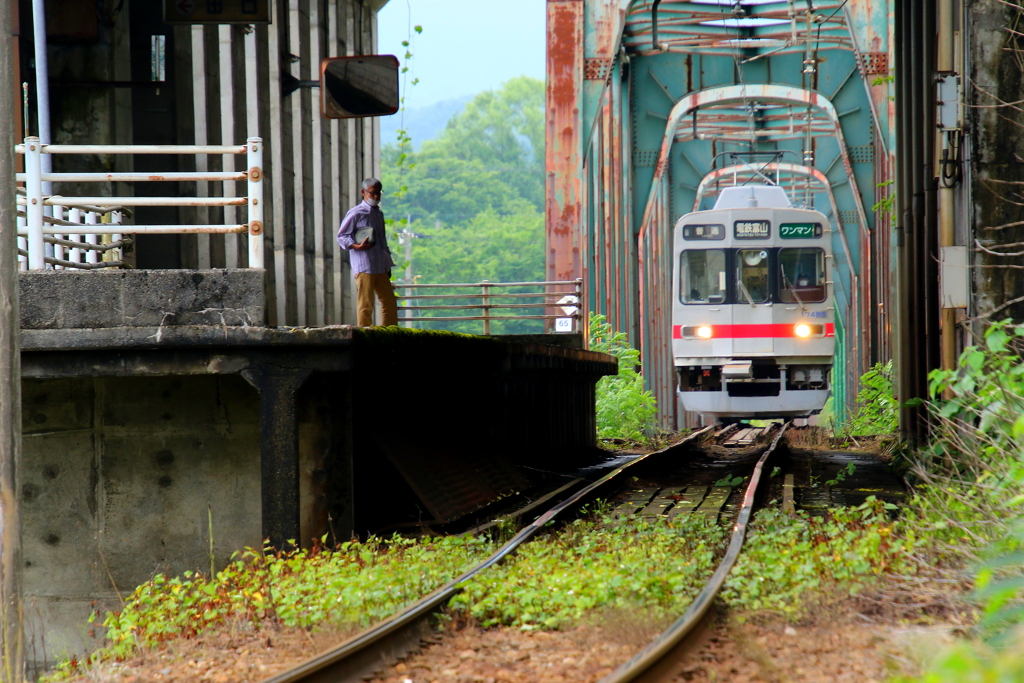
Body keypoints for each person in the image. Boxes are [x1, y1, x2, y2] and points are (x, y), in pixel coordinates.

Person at [337, 178, 398, 327]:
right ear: (363, 193)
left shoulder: (378, 214)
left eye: (378, 193)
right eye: (372, 193)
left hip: (380, 265)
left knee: (389, 301)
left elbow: (382, 241)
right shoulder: (356, 213)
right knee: (366, 303)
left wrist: (387, 264)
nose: (376, 197)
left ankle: (389, 331)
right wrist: (356, 246)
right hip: (365, 265)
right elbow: (342, 236)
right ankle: (365, 333)